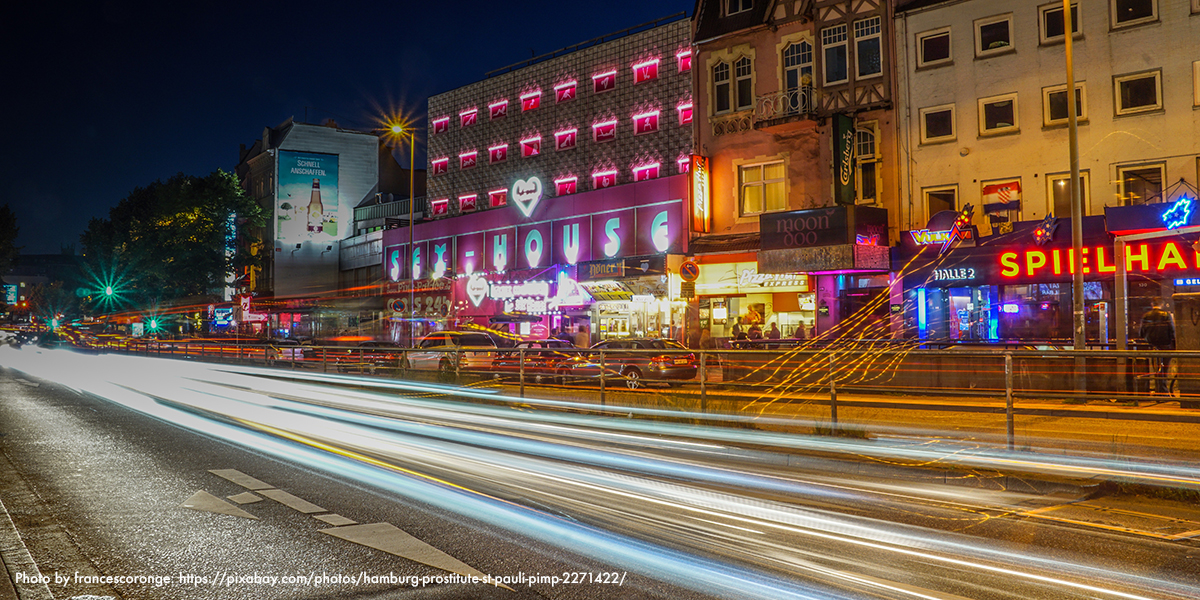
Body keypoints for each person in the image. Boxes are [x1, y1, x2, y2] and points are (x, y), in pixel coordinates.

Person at [1139, 299, 1176, 394]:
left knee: (1156, 368)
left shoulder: (1146, 316)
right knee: (1164, 368)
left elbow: (1141, 332)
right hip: (1165, 345)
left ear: (1152, 304)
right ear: (1162, 304)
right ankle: (1162, 391)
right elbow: (1172, 330)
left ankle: (1158, 389)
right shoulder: (1166, 315)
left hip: (1152, 346)